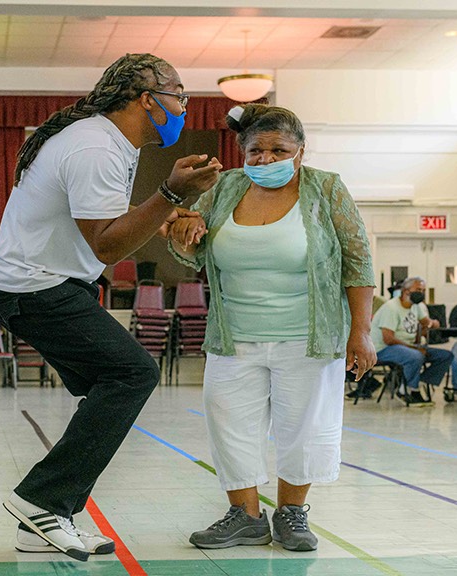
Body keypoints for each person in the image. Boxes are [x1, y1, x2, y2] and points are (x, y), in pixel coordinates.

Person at [0, 53, 221, 561]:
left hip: (44, 284)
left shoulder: (111, 140)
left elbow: (101, 221)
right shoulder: (95, 146)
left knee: (108, 387)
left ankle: (44, 521)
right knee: (132, 374)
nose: (183, 104)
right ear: (146, 99)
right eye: (177, 92)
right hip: (34, 287)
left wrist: (163, 212)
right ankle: (39, 499)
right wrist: (170, 190)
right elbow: (108, 246)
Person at [167, 104, 377, 552]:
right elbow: (191, 250)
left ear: (300, 151)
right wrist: (181, 232)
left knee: (304, 425)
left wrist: (361, 331)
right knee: (229, 422)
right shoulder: (224, 188)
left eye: (278, 149)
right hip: (233, 336)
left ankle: (292, 515)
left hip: (309, 336)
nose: (265, 158)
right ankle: (244, 517)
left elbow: (358, 261)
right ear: (241, 151)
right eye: (256, 150)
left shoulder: (325, 189)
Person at [371, 276, 453, 405]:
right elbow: (388, 339)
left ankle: (420, 382)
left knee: (445, 355)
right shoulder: (391, 308)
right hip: (383, 349)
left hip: (408, 347)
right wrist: (415, 348)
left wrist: (433, 323)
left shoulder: (416, 306)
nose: (421, 293)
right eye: (418, 290)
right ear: (406, 291)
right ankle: (407, 391)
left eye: (423, 290)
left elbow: (427, 322)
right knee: (416, 355)